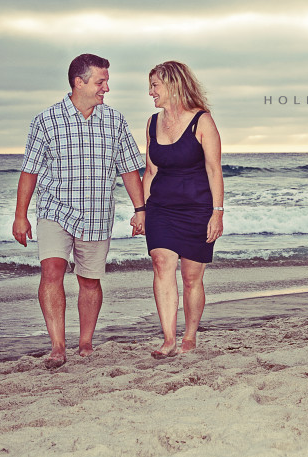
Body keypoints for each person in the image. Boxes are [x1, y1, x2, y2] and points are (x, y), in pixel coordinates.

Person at [13, 53, 146, 368]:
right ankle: (58, 346)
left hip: (97, 212)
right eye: (101, 82)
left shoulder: (114, 120)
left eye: (106, 82)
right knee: (52, 271)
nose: (106, 88)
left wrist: (141, 209)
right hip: (55, 209)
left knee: (89, 280)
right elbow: (29, 170)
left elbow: (129, 170)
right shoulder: (46, 120)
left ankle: (85, 341)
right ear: (79, 82)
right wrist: (21, 215)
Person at [143, 61, 224, 358]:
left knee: (192, 278)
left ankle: (189, 335)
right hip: (161, 208)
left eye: (155, 85)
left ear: (173, 84)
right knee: (161, 263)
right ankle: (168, 339)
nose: (150, 92)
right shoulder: (152, 123)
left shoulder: (202, 121)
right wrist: (142, 209)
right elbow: (150, 171)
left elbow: (214, 170)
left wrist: (217, 212)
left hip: (197, 209)